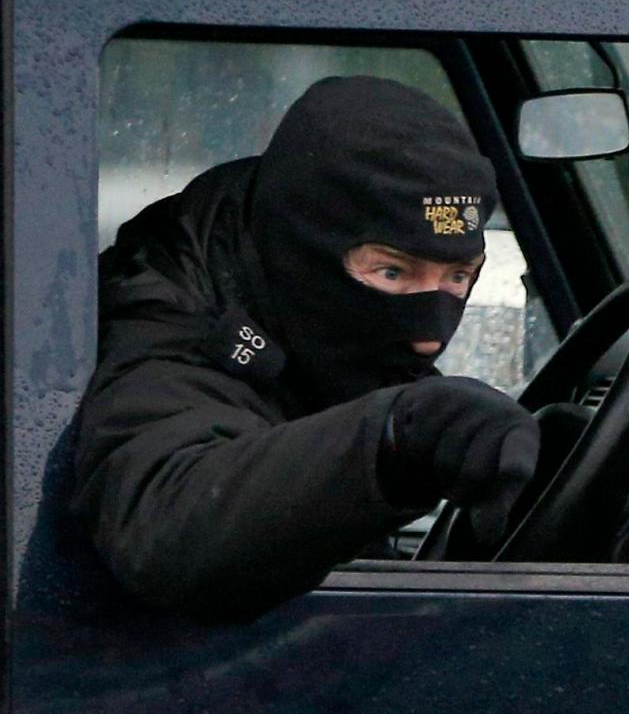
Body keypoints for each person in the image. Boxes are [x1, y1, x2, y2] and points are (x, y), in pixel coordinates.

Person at [72, 76, 541, 622]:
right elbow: (162, 522)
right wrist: (394, 439)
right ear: (298, 248)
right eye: (391, 271)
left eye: (458, 276)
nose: (429, 337)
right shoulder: (170, 326)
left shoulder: (297, 327)